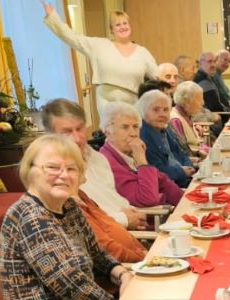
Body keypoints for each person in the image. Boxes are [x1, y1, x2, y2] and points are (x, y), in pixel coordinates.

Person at [0, 134, 133, 300]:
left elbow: (97, 254)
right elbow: (72, 287)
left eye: (72, 169)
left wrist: (121, 273)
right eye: (52, 167)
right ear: (30, 171)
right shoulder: (31, 216)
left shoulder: (68, 207)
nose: (64, 175)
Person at [40, 98, 151, 231]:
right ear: (51, 135)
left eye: (79, 128)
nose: (77, 138)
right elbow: (78, 223)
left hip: (131, 229)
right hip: (108, 237)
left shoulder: (96, 157)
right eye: (67, 132)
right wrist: (123, 219)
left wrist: (132, 213)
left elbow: (113, 197)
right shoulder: (54, 174)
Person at [40, 3, 158, 122]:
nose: (122, 27)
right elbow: (72, 37)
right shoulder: (99, 46)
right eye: (117, 24)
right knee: (113, 134)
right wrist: (53, 17)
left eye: (125, 23)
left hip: (133, 103)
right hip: (107, 102)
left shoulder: (142, 52)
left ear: (130, 26)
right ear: (111, 30)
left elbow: (158, 75)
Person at [99, 103, 182, 209]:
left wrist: (186, 202)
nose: (133, 133)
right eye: (125, 127)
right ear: (108, 132)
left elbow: (164, 182)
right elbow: (147, 200)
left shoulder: (129, 154)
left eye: (135, 127)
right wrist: (142, 162)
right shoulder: (107, 161)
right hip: (147, 222)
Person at [137, 89, 193, 188]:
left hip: (183, 179)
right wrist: (182, 171)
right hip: (168, 187)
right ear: (143, 111)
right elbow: (155, 171)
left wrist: (189, 167)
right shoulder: (143, 136)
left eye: (166, 110)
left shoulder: (164, 128)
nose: (162, 114)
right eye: (156, 110)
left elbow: (181, 153)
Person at [170, 80, 210, 161]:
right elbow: (183, 150)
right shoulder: (175, 120)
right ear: (187, 101)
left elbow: (196, 144)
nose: (202, 103)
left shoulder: (185, 115)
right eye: (199, 100)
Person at [195, 50, 230, 117]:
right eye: (210, 61)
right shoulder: (203, 80)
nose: (213, 65)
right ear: (200, 64)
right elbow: (215, 108)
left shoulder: (209, 78)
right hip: (214, 122)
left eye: (214, 61)